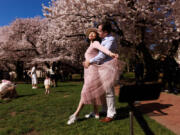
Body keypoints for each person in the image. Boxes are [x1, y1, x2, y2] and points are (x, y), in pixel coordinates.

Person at [67, 26, 123, 125]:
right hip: (89, 71)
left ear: (97, 35)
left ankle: (75, 114)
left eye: (94, 32)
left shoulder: (97, 43)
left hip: (93, 70)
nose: (91, 34)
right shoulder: (90, 45)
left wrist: (111, 53)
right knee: (94, 92)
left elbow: (103, 49)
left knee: (85, 92)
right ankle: (96, 113)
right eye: (90, 33)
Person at [83, 21, 124, 123]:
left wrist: (90, 62)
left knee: (109, 91)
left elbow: (103, 55)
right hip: (102, 67)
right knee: (104, 91)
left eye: (100, 30)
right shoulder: (103, 40)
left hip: (108, 67)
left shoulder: (110, 39)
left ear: (105, 31)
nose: (98, 32)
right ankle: (105, 110)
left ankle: (111, 114)